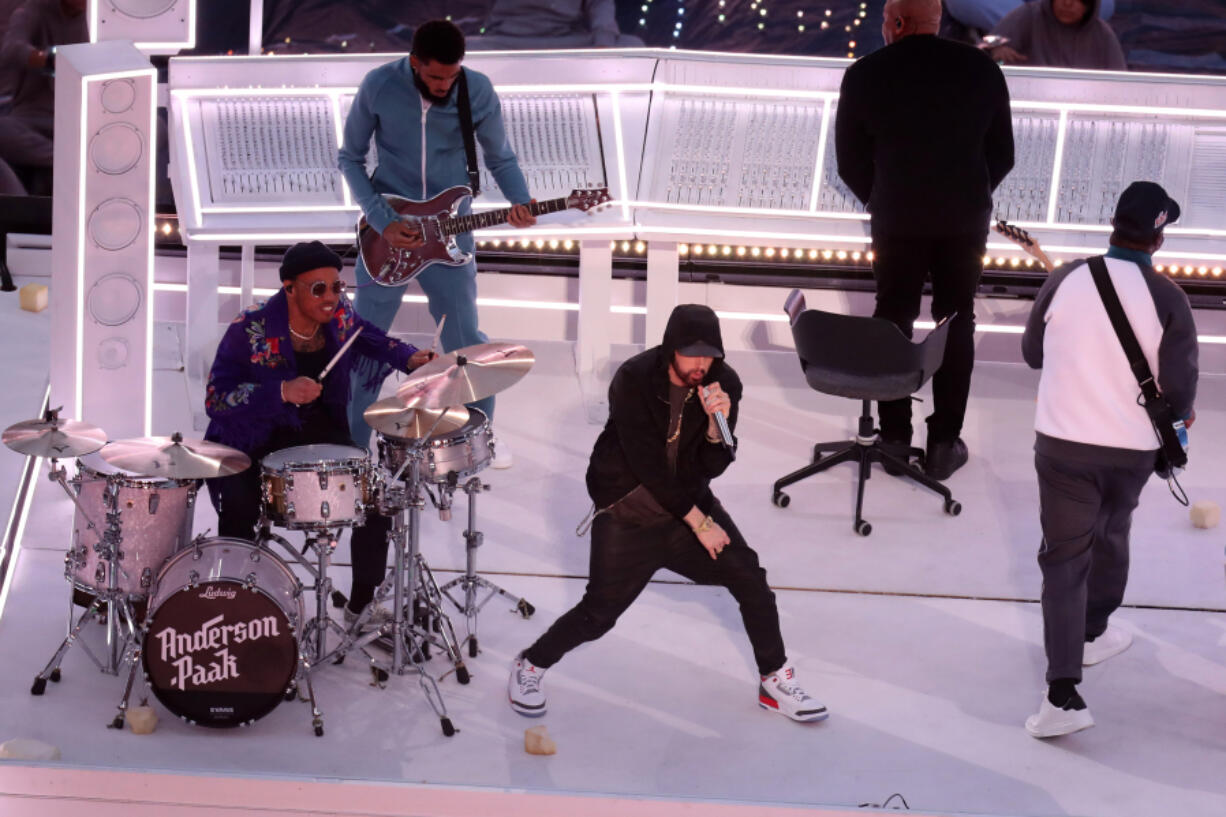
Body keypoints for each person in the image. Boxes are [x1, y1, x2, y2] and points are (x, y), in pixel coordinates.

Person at [507, 304, 827, 723]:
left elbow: (715, 463)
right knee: (598, 614)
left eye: (709, 355)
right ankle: (530, 665)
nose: (701, 365)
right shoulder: (635, 379)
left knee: (751, 580)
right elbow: (649, 467)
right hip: (630, 511)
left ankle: (774, 680)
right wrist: (702, 524)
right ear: (670, 348)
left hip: (686, 504)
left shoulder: (723, 383)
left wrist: (717, 428)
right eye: (691, 354)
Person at [1020, 181, 1198, 738]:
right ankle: (1094, 631)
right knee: (1113, 532)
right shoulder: (1169, 298)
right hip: (1131, 452)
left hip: (1063, 446)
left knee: (1064, 560)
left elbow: (1031, 354)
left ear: (1113, 224)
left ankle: (1062, 696)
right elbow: (1181, 392)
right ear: (1159, 236)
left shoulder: (1066, 277)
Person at [203, 241, 434, 626]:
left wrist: (409, 357)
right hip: (252, 437)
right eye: (318, 289)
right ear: (289, 288)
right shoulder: (251, 327)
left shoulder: (339, 315)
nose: (331, 298)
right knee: (240, 507)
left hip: (318, 428)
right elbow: (216, 398)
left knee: (376, 502)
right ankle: (237, 606)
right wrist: (280, 391)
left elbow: (371, 338)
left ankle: (362, 605)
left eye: (336, 287)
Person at [338, 18, 536, 467]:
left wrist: (520, 200)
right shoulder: (379, 85)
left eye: (451, 76)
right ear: (414, 63)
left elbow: (500, 157)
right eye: (434, 77)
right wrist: (382, 219)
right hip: (388, 232)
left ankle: (479, 434)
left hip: (451, 235)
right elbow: (349, 158)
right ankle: (351, 447)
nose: (444, 85)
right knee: (366, 344)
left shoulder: (477, 90)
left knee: (465, 342)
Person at [835, 0, 1014, 480]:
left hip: (897, 220)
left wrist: (882, 199)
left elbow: (849, 162)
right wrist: (971, 196)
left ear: (895, 23)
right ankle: (943, 444)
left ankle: (893, 438)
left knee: (893, 316)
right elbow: (1003, 154)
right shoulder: (982, 70)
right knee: (956, 322)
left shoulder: (865, 74)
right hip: (964, 221)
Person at [0, 0, 88, 195]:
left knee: (156, 126)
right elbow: (11, 49)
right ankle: (71, 161)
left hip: (81, 120)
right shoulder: (35, 10)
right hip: (34, 118)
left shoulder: (103, 20)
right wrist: (50, 60)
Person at [989, 0, 1126, 70]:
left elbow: (1120, 82)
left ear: (1090, 5)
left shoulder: (1102, 35)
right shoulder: (1030, 14)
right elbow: (988, 42)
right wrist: (997, 49)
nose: (1067, 3)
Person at [469, 0, 644, 50]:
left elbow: (600, 4)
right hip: (507, 39)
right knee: (455, 50)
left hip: (564, 39)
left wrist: (604, 39)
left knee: (632, 46)